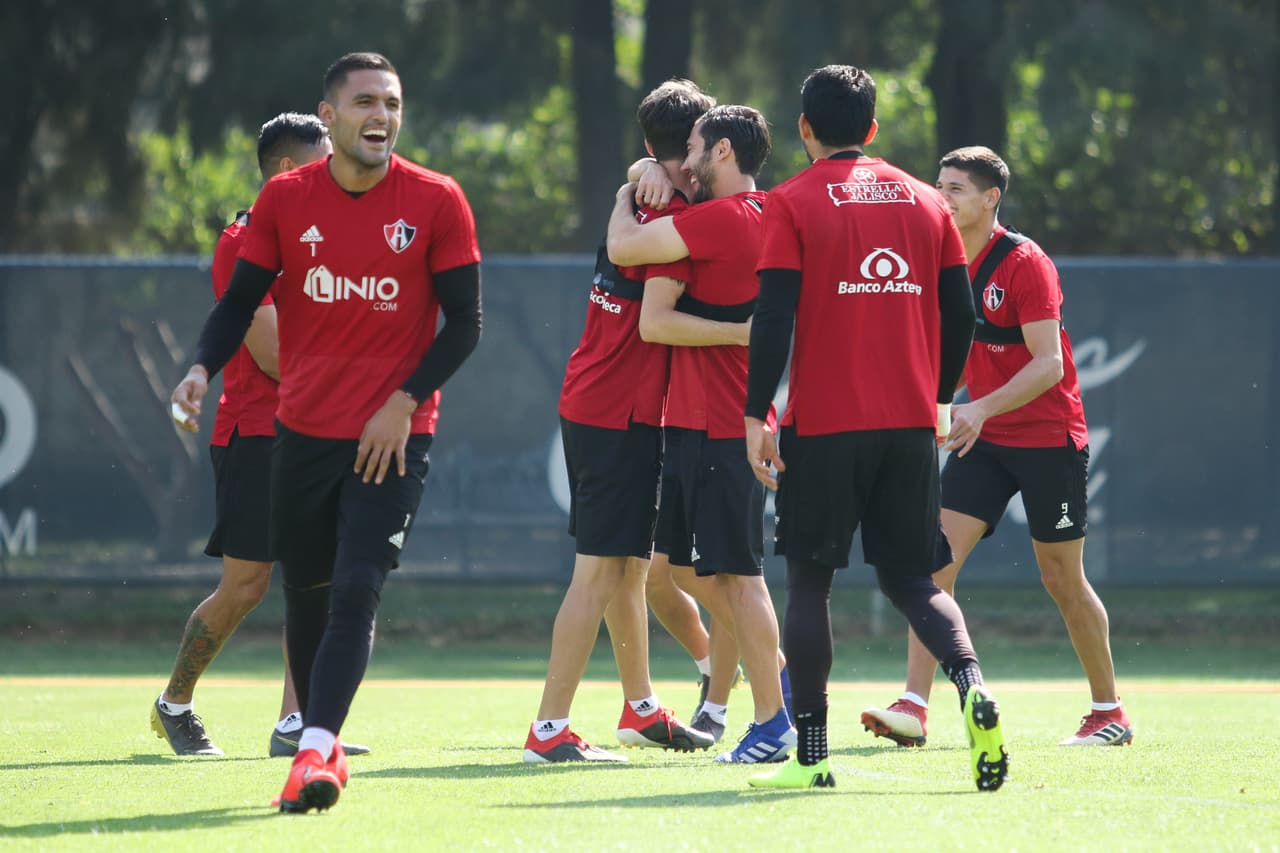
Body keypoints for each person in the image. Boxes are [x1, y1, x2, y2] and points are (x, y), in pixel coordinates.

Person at [170, 52, 482, 812]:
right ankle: (317, 741)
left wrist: (403, 402)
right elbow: (240, 302)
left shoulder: (438, 200)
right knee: (305, 596)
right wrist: (200, 370)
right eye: (366, 102)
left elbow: (465, 327)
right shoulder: (284, 200)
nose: (382, 116)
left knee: (354, 591)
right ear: (331, 115)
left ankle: (311, 751)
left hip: (393, 436)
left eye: (393, 103)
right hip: (302, 433)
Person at [741, 64, 1007, 791]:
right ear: (874, 129)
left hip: (824, 424)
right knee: (915, 579)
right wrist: (939, 398)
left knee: (809, 583)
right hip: (909, 426)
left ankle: (813, 756)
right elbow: (965, 316)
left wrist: (755, 412)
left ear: (804, 128)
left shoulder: (791, 201)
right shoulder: (928, 203)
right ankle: (972, 683)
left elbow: (772, 316)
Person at [861, 146, 1132, 748]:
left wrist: (979, 407)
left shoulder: (1025, 263)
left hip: (1048, 439)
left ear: (991, 199)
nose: (942, 196)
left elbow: (1048, 364)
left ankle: (1108, 712)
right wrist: (927, 405)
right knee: (931, 566)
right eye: (939, 186)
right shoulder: (942, 257)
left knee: (1061, 578)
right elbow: (951, 355)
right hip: (982, 441)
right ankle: (913, 704)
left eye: (956, 188)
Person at [152, 112, 376, 760]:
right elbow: (275, 356)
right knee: (246, 587)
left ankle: (296, 722)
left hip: (318, 429)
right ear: (286, 170)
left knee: (319, 580)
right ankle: (175, 703)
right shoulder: (242, 241)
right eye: (324, 158)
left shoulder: (326, 235)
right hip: (257, 433)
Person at [522, 79, 721, 764]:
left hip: (604, 404)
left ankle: (639, 708)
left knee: (631, 566)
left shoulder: (645, 195)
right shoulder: (669, 212)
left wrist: (632, 178)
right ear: (700, 144)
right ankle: (548, 729)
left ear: (648, 144)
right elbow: (656, 314)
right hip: (617, 411)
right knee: (600, 570)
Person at [605, 104, 794, 763]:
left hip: (723, 423)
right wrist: (644, 168)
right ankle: (753, 687)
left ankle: (773, 720)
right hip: (693, 422)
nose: (681, 161)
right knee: (681, 569)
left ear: (720, 153)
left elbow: (625, 250)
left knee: (740, 578)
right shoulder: (761, 214)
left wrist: (631, 187)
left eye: (691, 148)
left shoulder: (721, 218)